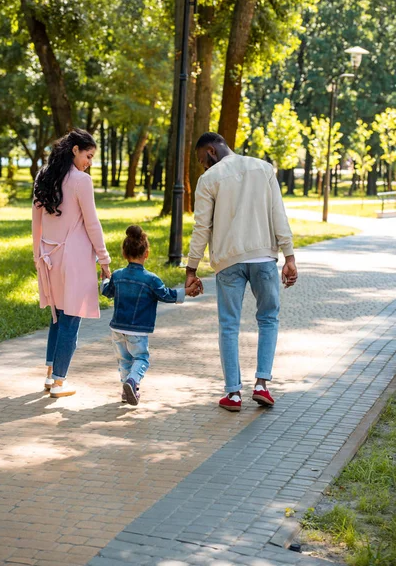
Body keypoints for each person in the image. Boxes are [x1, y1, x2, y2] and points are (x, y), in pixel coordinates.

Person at [186, 132, 298, 412]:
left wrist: (191, 268)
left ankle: (233, 394)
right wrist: (289, 256)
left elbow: (202, 227)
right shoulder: (263, 169)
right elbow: (278, 214)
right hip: (263, 257)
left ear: (211, 151)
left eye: (202, 160)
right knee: (269, 319)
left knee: (228, 325)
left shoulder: (209, 180)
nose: (203, 166)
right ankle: (261, 385)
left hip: (228, 262)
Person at [32, 128, 111, 398]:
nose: (89, 162)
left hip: (49, 257)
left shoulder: (44, 175)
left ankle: (50, 375)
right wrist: (104, 259)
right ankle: (59, 382)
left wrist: (37, 256)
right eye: (88, 155)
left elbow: (36, 223)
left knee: (56, 317)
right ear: (75, 150)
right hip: (75, 260)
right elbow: (92, 223)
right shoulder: (81, 181)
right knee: (70, 320)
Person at [101, 225, 200, 406]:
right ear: (146, 254)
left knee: (124, 360)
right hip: (137, 330)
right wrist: (186, 291)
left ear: (124, 253)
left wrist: (105, 278)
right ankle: (132, 382)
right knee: (141, 359)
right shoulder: (151, 279)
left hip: (116, 328)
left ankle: (126, 390)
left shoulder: (117, 275)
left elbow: (107, 292)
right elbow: (167, 295)